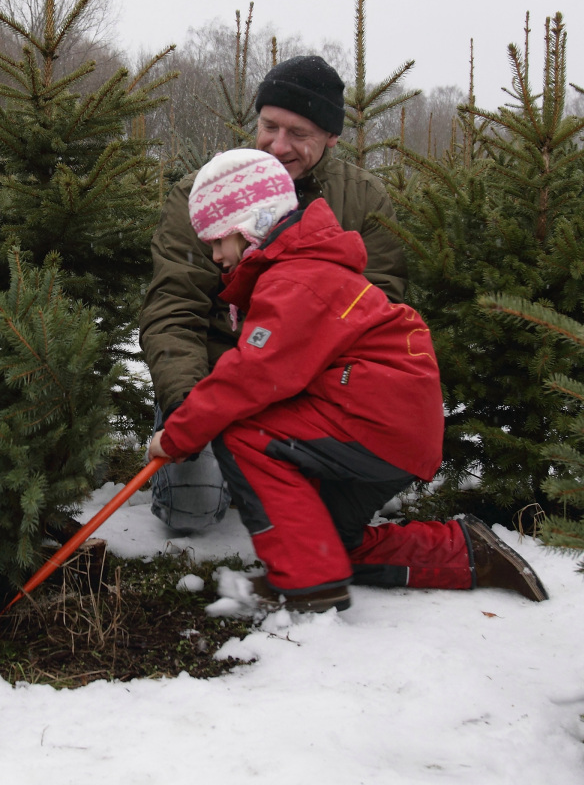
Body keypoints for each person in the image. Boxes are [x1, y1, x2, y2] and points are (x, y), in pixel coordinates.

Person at [145, 149, 548, 612]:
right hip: (394, 430)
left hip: (372, 424)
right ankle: (466, 552)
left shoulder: (297, 280)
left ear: (250, 225)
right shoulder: (302, 268)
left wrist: (176, 436)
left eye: (218, 241)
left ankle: (309, 588)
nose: (215, 255)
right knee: (324, 543)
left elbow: (248, 377)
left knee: (243, 432)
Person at [140, 54, 405, 532]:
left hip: (313, 389)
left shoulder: (363, 201)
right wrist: (186, 408)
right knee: (190, 511)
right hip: (214, 380)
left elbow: (380, 312)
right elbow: (173, 309)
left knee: (324, 520)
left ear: (331, 138)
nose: (278, 145)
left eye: (299, 134)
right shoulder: (202, 196)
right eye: (269, 126)